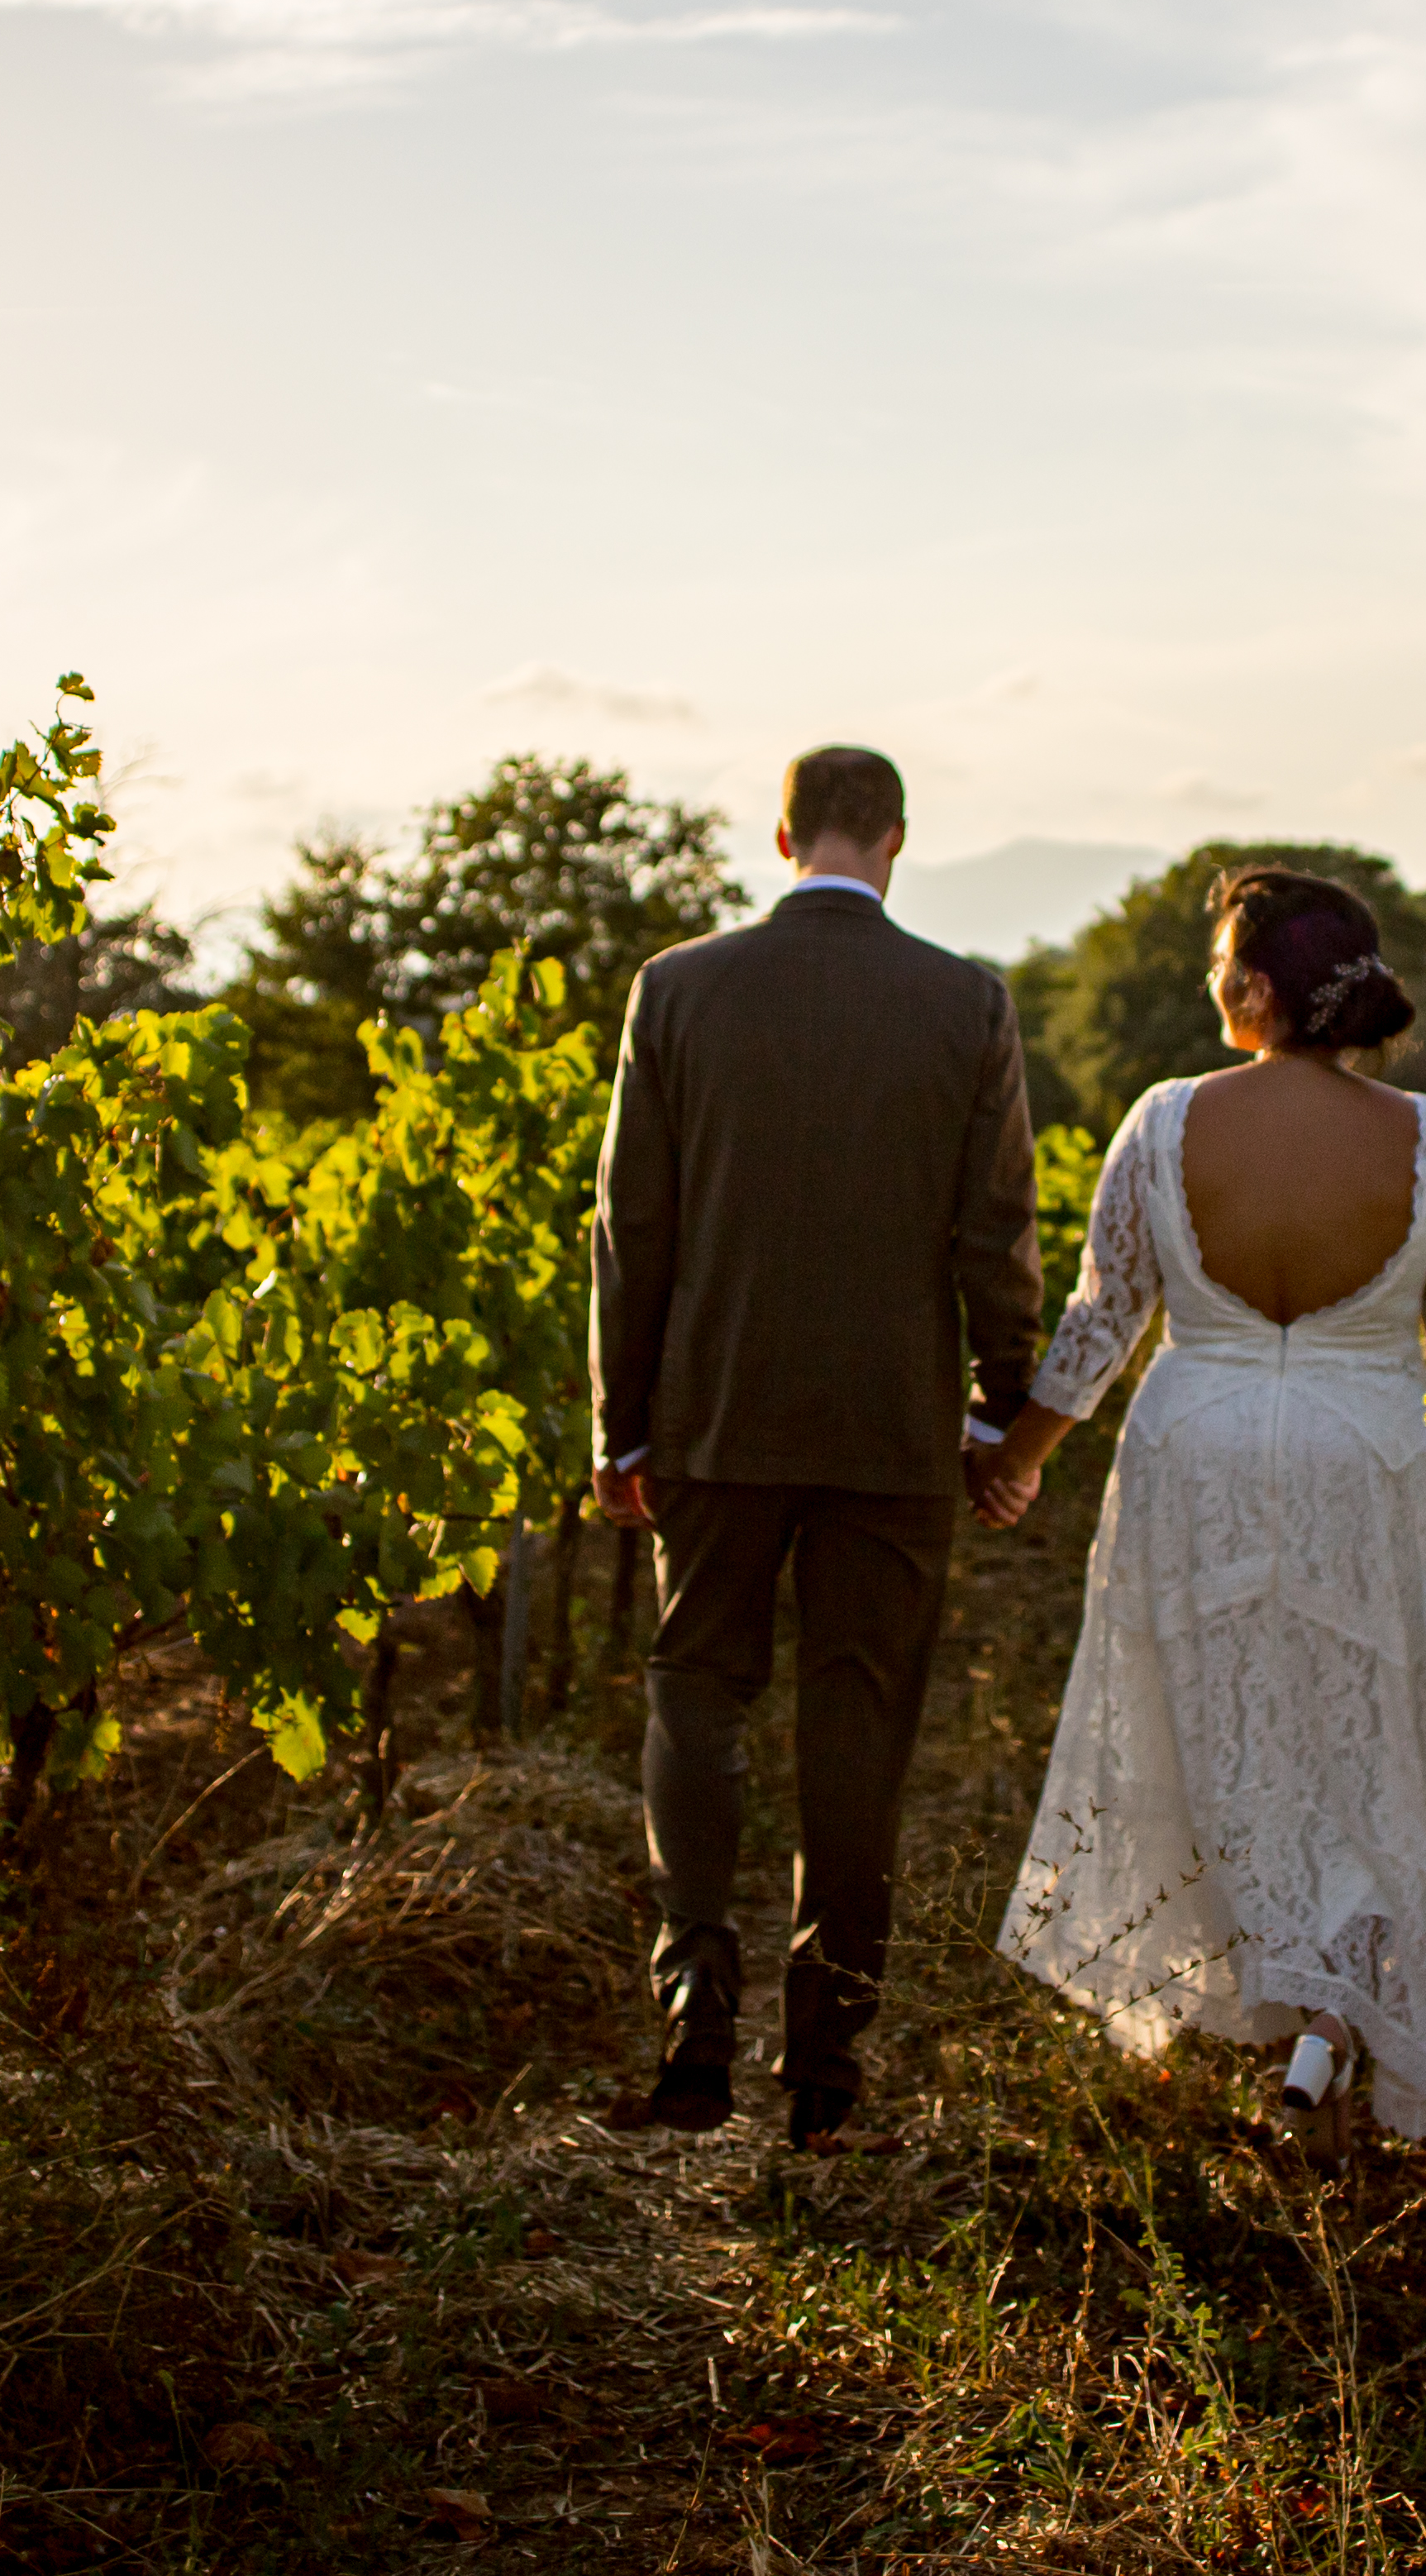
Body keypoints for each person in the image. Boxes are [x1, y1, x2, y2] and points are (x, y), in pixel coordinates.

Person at [975, 865, 1426, 2149]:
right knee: (1369, 1737)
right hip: (1375, 1468)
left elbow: (1102, 1322)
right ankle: (1339, 2017)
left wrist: (1019, 1452)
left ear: (1259, 990)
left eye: (1221, 960)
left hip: (1200, 1462)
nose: (1209, 982)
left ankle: (1272, 2000)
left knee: (1219, 1727)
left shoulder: (1164, 1122)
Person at [589, 743, 1044, 2149]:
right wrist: (997, 1411)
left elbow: (632, 1229)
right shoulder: (967, 1002)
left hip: (715, 1418)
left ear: (782, 835)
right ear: (897, 839)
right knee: (857, 1730)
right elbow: (996, 1234)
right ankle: (828, 2078)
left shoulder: (677, 989)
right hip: (890, 1436)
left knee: (696, 1695)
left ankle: (694, 2041)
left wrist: (623, 1425)